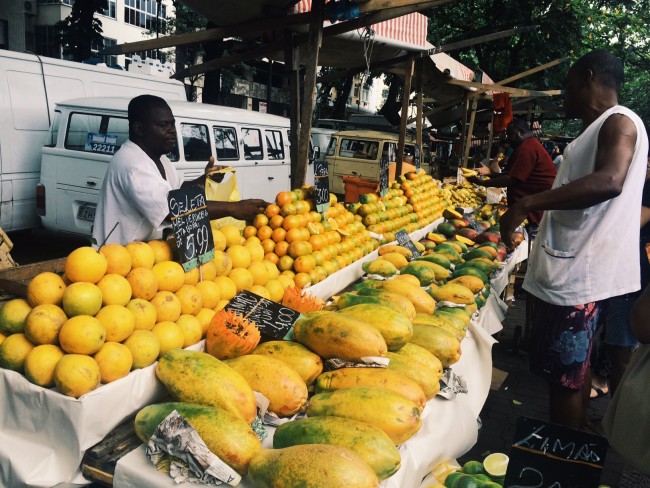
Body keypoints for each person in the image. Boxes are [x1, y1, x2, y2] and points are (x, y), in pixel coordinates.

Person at [499, 50, 649, 429]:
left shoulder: (619, 122)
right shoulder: (597, 127)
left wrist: (527, 203)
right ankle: (574, 445)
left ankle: (563, 463)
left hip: (581, 275)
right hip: (579, 269)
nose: (564, 94)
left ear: (588, 77)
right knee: (571, 375)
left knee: (564, 380)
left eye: (568, 85)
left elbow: (609, 180)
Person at [92, 95, 268, 246]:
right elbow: (172, 209)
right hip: (118, 260)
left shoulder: (159, 158)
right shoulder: (132, 163)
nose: (172, 131)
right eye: (163, 125)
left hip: (145, 255)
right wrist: (233, 208)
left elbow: (178, 190)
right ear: (139, 128)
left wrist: (206, 179)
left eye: (172, 124)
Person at [468, 118, 557, 236]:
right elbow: (513, 173)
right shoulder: (529, 145)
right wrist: (491, 173)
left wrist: (483, 183)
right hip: (531, 203)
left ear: (520, 132)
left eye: (510, 135)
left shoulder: (527, 148)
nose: (508, 139)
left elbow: (512, 179)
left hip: (533, 207)